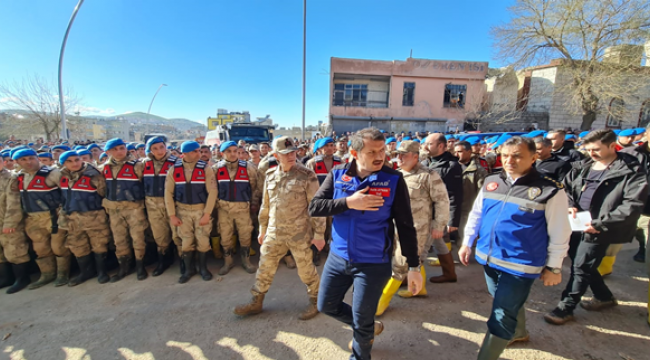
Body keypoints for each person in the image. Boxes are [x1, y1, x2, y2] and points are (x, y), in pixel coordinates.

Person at [309, 127, 423, 360]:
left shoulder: (393, 179)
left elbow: (406, 225)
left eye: (382, 150)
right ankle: (368, 327)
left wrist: (413, 267)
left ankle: (362, 343)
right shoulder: (338, 174)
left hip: (373, 262)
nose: (380, 156)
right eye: (372, 152)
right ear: (354, 152)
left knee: (362, 319)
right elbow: (314, 207)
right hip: (338, 258)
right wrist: (349, 203)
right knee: (326, 306)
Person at [459, 136, 571, 359]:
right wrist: (467, 242)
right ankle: (518, 332)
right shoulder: (493, 181)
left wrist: (554, 267)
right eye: (505, 155)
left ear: (533, 157)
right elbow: (477, 214)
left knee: (501, 314)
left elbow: (560, 230)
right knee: (501, 298)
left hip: (521, 263)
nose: (510, 160)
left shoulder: (550, 190)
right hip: (488, 257)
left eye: (517, 155)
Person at [544, 130, 648, 325]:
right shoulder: (583, 165)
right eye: (588, 149)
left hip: (601, 228)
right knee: (580, 261)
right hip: (575, 223)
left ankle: (566, 307)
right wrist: (568, 206)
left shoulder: (631, 170)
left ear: (612, 145)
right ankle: (604, 296)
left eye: (596, 149)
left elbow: (632, 205)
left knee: (581, 266)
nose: (592, 153)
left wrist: (601, 223)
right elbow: (564, 188)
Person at [234, 136, 324, 320]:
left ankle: (316, 301)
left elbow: (317, 207)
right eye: (285, 153)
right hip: (274, 232)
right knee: (264, 267)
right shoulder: (270, 175)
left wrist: (320, 234)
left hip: (299, 233)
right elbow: (266, 205)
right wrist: (262, 229)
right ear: (276, 155)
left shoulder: (307, 175)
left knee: (306, 270)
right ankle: (256, 301)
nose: (291, 155)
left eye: (293, 152)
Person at [375, 140, 449, 316]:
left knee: (401, 263)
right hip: (395, 226)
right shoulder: (396, 174)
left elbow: (442, 201)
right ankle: (420, 288)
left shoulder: (429, 176)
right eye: (397, 154)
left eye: (403, 155)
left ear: (415, 157)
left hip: (418, 228)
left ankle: (381, 302)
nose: (398, 158)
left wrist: (439, 225)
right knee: (415, 258)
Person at [11, 148, 71, 288]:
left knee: (58, 246)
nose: (29, 162)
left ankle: (63, 274)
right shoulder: (19, 176)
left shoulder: (53, 173)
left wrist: (64, 212)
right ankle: (47, 274)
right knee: (41, 248)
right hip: (32, 217)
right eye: (24, 160)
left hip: (53, 216)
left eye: (31, 158)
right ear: (17, 162)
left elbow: (67, 193)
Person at [165, 141, 217, 283]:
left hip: (200, 210)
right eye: (195, 151)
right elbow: (168, 193)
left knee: (203, 240)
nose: (198, 153)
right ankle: (189, 269)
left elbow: (212, 192)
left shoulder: (205, 168)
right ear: (185, 153)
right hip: (182, 211)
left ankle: (203, 268)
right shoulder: (174, 170)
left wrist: (207, 214)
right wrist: (172, 215)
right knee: (186, 241)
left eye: (199, 151)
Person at [99, 138, 150, 282]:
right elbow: (102, 189)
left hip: (134, 209)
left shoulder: (137, 166)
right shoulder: (104, 168)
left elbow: (144, 186)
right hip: (114, 210)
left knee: (138, 238)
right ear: (108, 152)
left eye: (121, 148)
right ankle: (124, 267)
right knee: (119, 240)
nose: (119, 152)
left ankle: (140, 266)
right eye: (114, 149)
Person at [58, 151, 111, 286]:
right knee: (78, 246)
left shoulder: (94, 175)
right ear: (64, 163)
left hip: (94, 217)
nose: (74, 163)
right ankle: (86, 272)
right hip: (72, 218)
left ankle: (101, 272)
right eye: (69, 161)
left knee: (99, 245)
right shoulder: (62, 176)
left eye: (77, 159)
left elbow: (104, 194)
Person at [212, 141, 260, 275]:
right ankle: (228, 261)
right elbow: (212, 189)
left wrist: (254, 203)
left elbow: (255, 188)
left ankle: (246, 260)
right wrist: (216, 205)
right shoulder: (216, 169)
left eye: (235, 151)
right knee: (225, 236)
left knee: (245, 235)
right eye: (229, 151)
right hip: (224, 208)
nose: (233, 154)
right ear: (222, 153)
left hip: (242, 207)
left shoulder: (248, 167)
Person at [422, 133, 463, 283]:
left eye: (429, 144)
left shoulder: (451, 166)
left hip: (438, 214)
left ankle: (410, 280)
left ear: (440, 146)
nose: (425, 147)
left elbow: (455, 195)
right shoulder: (427, 163)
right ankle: (450, 273)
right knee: (439, 244)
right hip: (426, 212)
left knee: (420, 248)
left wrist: (452, 220)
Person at [142, 136, 181, 277]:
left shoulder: (176, 163)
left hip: (173, 204)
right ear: (150, 150)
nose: (159, 151)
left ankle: (183, 261)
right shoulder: (144, 164)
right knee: (160, 235)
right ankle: (164, 261)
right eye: (155, 148)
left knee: (178, 234)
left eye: (161, 147)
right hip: (153, 205)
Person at [306, 137, 341, 265]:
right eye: (326, 146)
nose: (329, 148)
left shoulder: (340, 162)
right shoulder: (312, 163)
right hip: (319, 201)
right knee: (317, 227)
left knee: (333, 227)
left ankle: (330, 251)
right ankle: (316, 253)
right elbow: (307, 183)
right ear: (319, 149)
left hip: (334, 201)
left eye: (332, 145)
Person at [0, 152, 31, 294]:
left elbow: (14, 202)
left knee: (15, 249)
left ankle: (22, 278)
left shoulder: (10, 178)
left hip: (8, 221)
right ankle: (7, 277)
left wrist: (10, 223)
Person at [453, 140, 488, 242]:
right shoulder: (451, 167)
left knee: (465, 240)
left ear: (469, 151)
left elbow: (482, 194)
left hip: (467, 211)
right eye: (455, 152)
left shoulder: (478, 170)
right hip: (452, 210)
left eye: (460, 151)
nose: (456, 154)